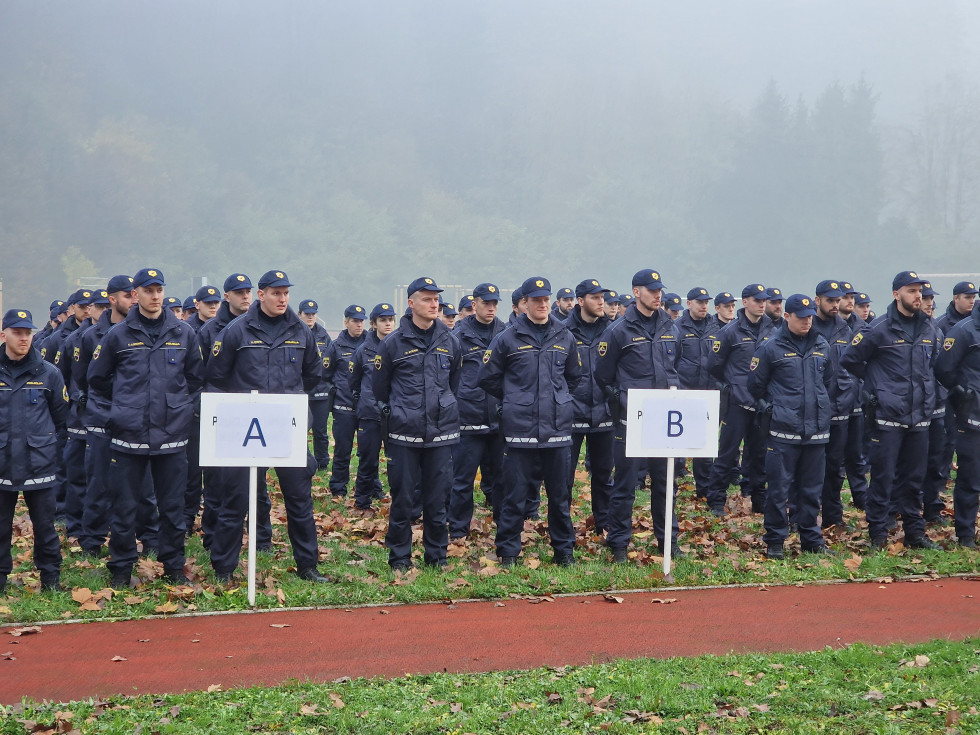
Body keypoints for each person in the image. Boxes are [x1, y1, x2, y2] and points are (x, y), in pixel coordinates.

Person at [205, 269, 328, 583]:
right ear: (261, 295)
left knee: (299, 501)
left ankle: (308, 566)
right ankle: (223, 568)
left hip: (287, 426)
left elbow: (313, 375)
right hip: (246, 429)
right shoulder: (237, 330)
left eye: (286, 292)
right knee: (235, 501)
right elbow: (217, 376)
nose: (282, 298)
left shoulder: (301, 331)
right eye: (275, 293)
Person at [87, 268, 204, 588]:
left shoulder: (183, 333)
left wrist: (181, 409)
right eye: (148, 291)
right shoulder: (118, 335)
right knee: (124, 508)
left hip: (171, 436)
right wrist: (120, 412)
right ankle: (122, 569)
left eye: (159, 290)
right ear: (135, 294)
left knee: (172, 508)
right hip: (128, 437)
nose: (154, 296)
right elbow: (97, 380)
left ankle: (174, 568)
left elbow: (195, 379)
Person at [479, 276, 582, 567]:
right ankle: (508, 552)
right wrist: (513, 398)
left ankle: (564, 552)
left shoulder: (564, 336)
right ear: (524, 304)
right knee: (513, 497)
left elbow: (574, 377)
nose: (543, 304)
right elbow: (487, 378)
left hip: (557, 432)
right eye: (537, 300)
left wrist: (556, 399)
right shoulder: (507, 338)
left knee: (560, 499)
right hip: (519, 432)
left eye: (546, 300)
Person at [840, 271, 941, 551]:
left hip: (919, 416)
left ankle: (915, 534)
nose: (918, 296)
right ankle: (878, 534)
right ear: (897, 294)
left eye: (919, 291)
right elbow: (851, 360)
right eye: (911, 291)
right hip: (887, 418)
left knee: (914, 479)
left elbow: (934, 364)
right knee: (883, 478)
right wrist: (878, 386)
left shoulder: (930, 328)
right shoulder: (878, 329)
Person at [374, 277, 461, 570]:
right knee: (403, 501)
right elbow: (379, 388)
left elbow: (454, 384)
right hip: (403, 433)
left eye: (436, 298)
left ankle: (437, 556)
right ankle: (400, 557)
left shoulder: (451, 341)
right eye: (426, 299)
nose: (434, 303)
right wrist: (402, 412)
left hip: (441, 433)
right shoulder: (392, 344)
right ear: (411, 304)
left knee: (438, 501)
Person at [594, 269, 681, 562]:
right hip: (632, 419)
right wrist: (622, 401)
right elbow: (603, 376)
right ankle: (618, 543)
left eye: (659, 290)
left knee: (666, 482)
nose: (658, 295)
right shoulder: (618, 331)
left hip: (665, 419)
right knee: (626, 483)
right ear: (636, 292)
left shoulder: (670, 325)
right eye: (651, 290)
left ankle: (668, 541)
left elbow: (674, 363)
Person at [748, 295, 836, 558]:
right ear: (787, 317)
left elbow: (828, 382)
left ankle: (811, 539)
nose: (807, 321)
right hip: (783, 432)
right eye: (801, 317)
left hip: (816, 432)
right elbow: (755, 385)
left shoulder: (822, 345)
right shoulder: (770, 348)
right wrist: (772, 408)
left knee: (811, 490)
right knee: (778, 490)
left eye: (810, 316)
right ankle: (775, 541)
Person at [0, 309, 69, 593]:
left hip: (39, 464)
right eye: (17, 333)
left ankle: (51, 580)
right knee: (1, 528)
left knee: (45, 528)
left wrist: (49, 452)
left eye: (28, 333)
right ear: (4, 335)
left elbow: (61, 420)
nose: (24, 338)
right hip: (2, 463)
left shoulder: (49, 373)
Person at [193, 274, 260, 547]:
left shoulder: (257, 326)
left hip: (254, 412)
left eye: (248, 291)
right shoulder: (209, 330)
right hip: (221, 412)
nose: (245, 296)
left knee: (258, 482)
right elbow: (201, 374)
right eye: (239, 292)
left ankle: (260, 537)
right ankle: (212, 535)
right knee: (217, 478)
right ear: (227, 296)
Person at [703, 284, 776, 517]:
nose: (762, 304)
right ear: (745, 302)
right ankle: (716, 500)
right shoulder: (730, 331)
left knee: (759, 455)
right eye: (756, 300)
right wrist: (730, 386)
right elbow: (714, 365)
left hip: (762, 404)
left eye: (764, 300)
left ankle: (759, 500)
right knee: (727, 454)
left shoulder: (772, 329)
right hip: (737, 403)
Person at [448, 283, 506, 538]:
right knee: (462, 481)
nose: (491, 308)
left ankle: (505, 529)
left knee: (502, 479)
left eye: (495, 303)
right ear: (475, 305)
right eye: (486, 303)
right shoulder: (458, 335)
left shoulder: (506, 332)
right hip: (468, 418)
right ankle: (459, 531)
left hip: (499, 419)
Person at [563, 279, 613, 534]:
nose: (601, 301)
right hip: (572, 414)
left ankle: (603, 524)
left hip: (604, 413)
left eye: (601, 296)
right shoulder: (562, 331)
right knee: (564, 477)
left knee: (603, 475)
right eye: (594, 297)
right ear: (580, 301)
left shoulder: (614, 330)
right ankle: (563, 526)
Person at [811, 280, 861, 527]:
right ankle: (802, 516)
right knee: (808, 468)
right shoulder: (806, 325)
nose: (835, 304)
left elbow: (851, 368)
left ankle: (833, 517)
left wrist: (847, 398)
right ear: (817, 300)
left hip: (840, 408)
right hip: (812, 409)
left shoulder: (846, 329)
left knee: (834, 468)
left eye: (837, 300)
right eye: (829, 300)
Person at [934, 299, 980, 548]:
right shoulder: (964, 330)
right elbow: (944, 368)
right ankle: (965, 534)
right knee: (971, 477)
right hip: (972, 413)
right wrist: (962, 393)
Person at [350, 302, 396, 511]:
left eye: (390, 320)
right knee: (368, 461)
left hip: (396, 414)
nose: (388, 324)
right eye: (383, 320)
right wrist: (364, 402)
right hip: (369, 414)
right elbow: (354, 381)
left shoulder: (400, 346)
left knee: (398, 463)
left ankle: (401, 502)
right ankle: (362, 502)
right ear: (373, 323)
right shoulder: (363, 351)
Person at [676, 287, 716, 498]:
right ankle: (673, 478)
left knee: (705, 443)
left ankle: (704, 488)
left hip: (708, 392)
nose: (703, 306)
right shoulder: (677, 328)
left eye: (706, 302)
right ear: (688, 303)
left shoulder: (715, 327)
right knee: (677, 441)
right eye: (699, 302)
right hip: (684, 391)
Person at [325, 305, 367, 498]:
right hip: (344, 406)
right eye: (355, 321)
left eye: (361, 321)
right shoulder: (336, 345)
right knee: (343, 450)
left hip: (366, 407)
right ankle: (338, 487)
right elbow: (325, 373)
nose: (359, 325)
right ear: (346, 322)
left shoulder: (371, 343)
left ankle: (370, 488)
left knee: (368, 452)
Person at [297, 299, 333, 472]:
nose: (310, 317)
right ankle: (301, 459)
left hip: (321, 391)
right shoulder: (295, 332)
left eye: (313, 314)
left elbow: (330, 362)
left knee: (320, 431)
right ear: (300, 315)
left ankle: (322, 462)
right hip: (300, 390)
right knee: (300, 429)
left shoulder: (323, 335)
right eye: (307, 314)